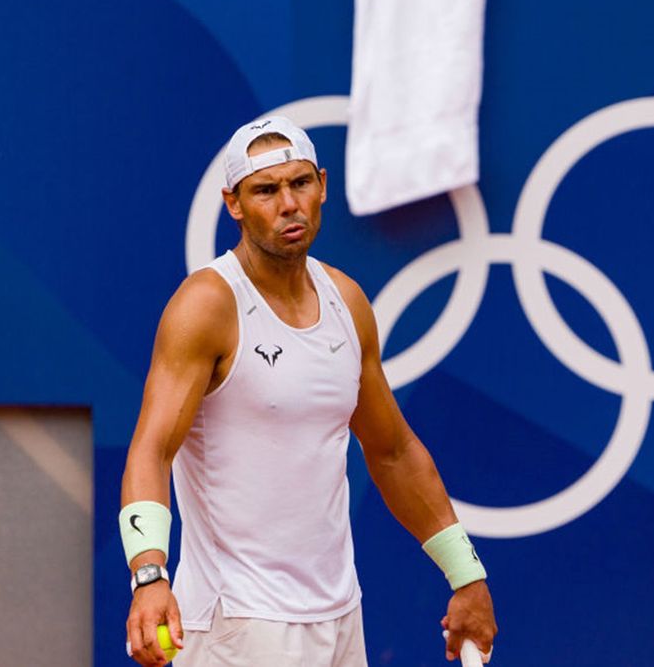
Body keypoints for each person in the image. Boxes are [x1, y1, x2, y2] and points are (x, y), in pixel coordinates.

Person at [119, 116, 497, 667]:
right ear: (234, 204)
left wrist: (467, 575)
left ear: (322, 184)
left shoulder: (346, 299)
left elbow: (393, 451)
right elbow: (150, 450)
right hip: (237, 624)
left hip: (340, 617)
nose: (288, 204)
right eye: (266, 191)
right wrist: (149, 575)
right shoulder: (206, 305)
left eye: (299, 184)